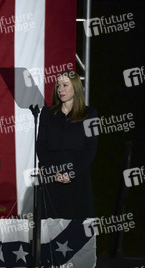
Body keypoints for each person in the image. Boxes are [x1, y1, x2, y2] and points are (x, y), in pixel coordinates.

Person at [36, 71, 98, 219]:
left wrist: (73, 173)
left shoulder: (90, 114)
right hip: (53, 179)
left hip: (78, 180)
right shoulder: (47, 113)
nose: (60, 89)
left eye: (65, 85)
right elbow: (41, 146)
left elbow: (90, 149)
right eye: (58, 86)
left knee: (76, 231)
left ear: (75, 88)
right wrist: (53, 171)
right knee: (50, 230)